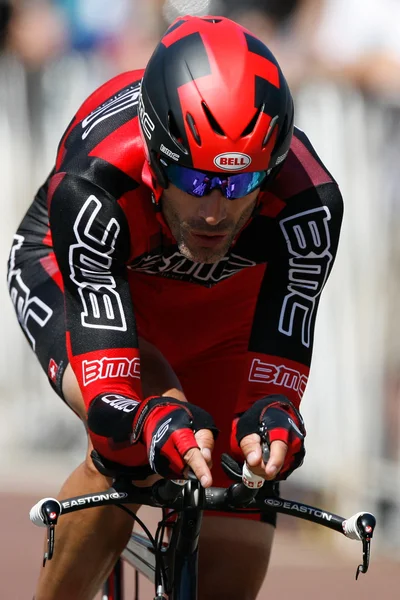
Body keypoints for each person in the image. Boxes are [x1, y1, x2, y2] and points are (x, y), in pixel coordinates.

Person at [7, 15, 343, 600]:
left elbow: (273, 383)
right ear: (157, 159)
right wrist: (148, 420)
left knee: (244, 484)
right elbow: (114, 399)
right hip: (78, 275)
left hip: (218, 313)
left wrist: (273, 419)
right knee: (131, 445)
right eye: (194, 178)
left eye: (238, 187)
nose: (214, 213)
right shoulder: (96, 185)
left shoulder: (307, 204)